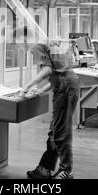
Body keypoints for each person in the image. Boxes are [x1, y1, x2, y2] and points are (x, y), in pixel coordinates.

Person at [18, 26, 80, 179]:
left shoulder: (36, 46)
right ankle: (45, 168)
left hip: (65, 87)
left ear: (24, 38)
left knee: (61, 131)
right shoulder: (45, 43)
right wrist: (41, 90)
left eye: (17, 41)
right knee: (55, 130)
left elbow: (47, 71)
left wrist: (27, 86)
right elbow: (57, 73)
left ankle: (67, 170)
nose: (18, 45)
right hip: (65, 84)